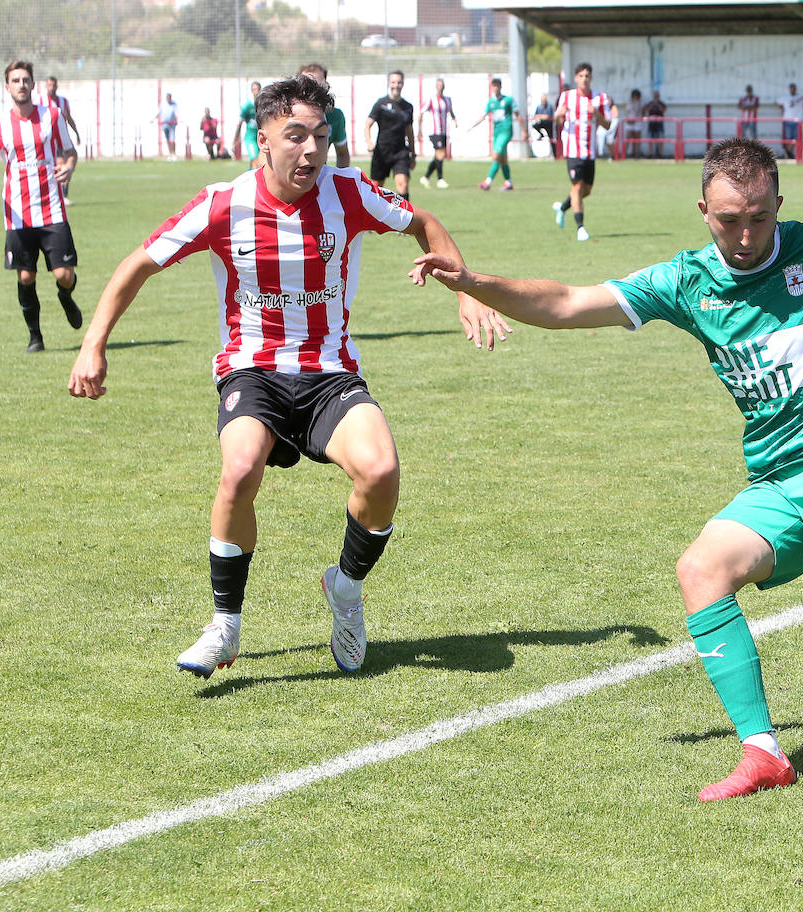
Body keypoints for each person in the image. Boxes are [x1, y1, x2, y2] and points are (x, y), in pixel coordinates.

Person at [411, 136, 803, 802]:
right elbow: (570, 304)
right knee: (701, 569)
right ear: (702, 210)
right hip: (778, 478)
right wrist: (475, 282)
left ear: (779, 203)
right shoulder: (688, 282)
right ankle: (764, 754)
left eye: (759, 217)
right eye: (729, 220)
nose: (746, 235)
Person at [67, 76, 509, 681]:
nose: (310, 150)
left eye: (321, 137)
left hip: (329, 372)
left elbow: (424, 223)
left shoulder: (348, 192)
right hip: (254, 369)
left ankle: (346, 589)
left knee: (381, 471)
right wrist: (94, 344)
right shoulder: (223, 203)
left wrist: (465, 290)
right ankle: (225, 626)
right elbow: (139, 264)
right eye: (295, 136)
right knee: (240, 470)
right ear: (264, 140)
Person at [0, 60, 81, 353]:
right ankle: (35, 337)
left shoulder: (52, 116)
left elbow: (70, 151)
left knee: (64, 274)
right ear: (7, 86)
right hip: (17, 214)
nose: (21, 84)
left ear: (33, 85)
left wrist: (69, 168)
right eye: (16, 80)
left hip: (51, 209)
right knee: (25, 276)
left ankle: (65, 295)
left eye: (26, 80)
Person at [552, 62, 616, 242]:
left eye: (587, 76)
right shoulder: (566, 97)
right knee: (577, 187)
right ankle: (581, 227)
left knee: (585, 191)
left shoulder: (599, 98)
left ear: (591, 78)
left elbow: (608, 124)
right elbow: (557, 120)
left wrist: (596, 114)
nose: (584, 79)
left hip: (590, 151)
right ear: (575, 78)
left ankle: (563, 208)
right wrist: (559, 115)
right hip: (573, 149)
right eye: (581, 76)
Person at [365, 71, 416, 199]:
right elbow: (367, 125)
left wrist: (413, 154)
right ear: (389, 83)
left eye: (399, 82)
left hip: (400, 153)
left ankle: (405, 218)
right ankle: (376, 218)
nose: (396, 85)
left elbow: (409, 131)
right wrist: (369, 142)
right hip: (382, 152)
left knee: (403, 185)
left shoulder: (408, 107)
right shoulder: (381, 104)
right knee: (376, 188)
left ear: (402, 84)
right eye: (393, 82)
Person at [468, 77, 522, 191]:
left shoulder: (508, 100)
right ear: (491, 87)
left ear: (501, 87)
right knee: (502, 159)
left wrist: (524, 130)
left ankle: (488, 182)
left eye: (497, 85)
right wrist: (471, 126)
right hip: (496, 133)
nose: (495, 88)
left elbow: (517, 114)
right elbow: (483, 116)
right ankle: (508, 182)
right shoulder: (491, 102)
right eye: (494, 85)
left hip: (506, 131)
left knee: (495, 156)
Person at [298, 63, 351, 168]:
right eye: (307, 86)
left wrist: (339, 180)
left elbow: (342, 153)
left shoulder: (335, 116)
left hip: (318, 177)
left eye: (318, 85)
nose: (313, 91)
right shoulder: (286, 114)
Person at [41, 75, 80, 204]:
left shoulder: (63, 101)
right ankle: (55, 195)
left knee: (66, 165)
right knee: (56, 165)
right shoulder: (40, 101)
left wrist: (77, 133)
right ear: (46, 86)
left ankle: (64, 195)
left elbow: (69, 118)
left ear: (57, 86)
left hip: (62, 140)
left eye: (53, 85)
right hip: (48, 140)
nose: (51, 88)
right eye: (49, 85)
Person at [418, 77, 457, 189]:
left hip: (444, 132)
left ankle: (425, 177)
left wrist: (454, 119)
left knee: (438, 155)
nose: (440, 87)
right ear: (436, 87)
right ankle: (440, 179)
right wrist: (419, 129)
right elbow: (420, 113)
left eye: (442, 85)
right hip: (434, 131)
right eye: (438, 85)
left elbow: (451, 111)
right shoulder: (431, 100)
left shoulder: (447, 100)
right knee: (440, 154)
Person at [234, 81, 262, 168]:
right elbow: (239, 123)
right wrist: (235, 139)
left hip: (260, 137)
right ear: (251, 91)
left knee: (260, 162)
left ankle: (249, 177)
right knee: (254, 159)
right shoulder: (248, 106)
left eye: (257, 89)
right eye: (254, 89)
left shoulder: (263, 105)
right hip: (250, 138)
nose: (256, 91)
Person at [779, 82, 803, 153]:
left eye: (794, 88)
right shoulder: (785, 97)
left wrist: (798, 100)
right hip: (788, 121)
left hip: (797, 121)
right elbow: (777, 102)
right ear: (789, 89)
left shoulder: (799, 96)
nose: (793, 90)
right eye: (791, 88)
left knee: (796, 138)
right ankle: (790, 154)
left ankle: (788, 152)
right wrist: (782, 108)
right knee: (788, 139)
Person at [642, 90, 668, 158]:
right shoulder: (650, 103)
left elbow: (663, 110)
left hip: (659, 122)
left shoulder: (661, 103)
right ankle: (650, 153)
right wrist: (653, 104)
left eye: (657, 96)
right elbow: (646, 110)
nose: (656, 97)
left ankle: (660, 154)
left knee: (661, 138)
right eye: (655, 96)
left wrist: (657, 104)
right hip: (652, 122)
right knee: (650, 138)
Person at [623, 88, 644, 158]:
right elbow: (627, 112)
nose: (636, 97)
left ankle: (636, 153)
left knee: (637, 139)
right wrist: (629, 120)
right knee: (628, 138)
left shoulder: (640, 103)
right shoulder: (629, 102)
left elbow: (640, 112)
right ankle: (624, 154)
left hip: (637, 122)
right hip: (629, 122)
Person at [157, 92, 179, 161]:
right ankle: (170, 154)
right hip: (164, 125)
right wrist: (153, 119)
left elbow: (176, 113)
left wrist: (178, 119)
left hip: (172, 124)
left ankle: (174, 154)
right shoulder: (163, 105)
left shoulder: (174, 104)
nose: (168, 99)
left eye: (169, 97)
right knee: (168, 140)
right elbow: (159, 113)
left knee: (172, 140)